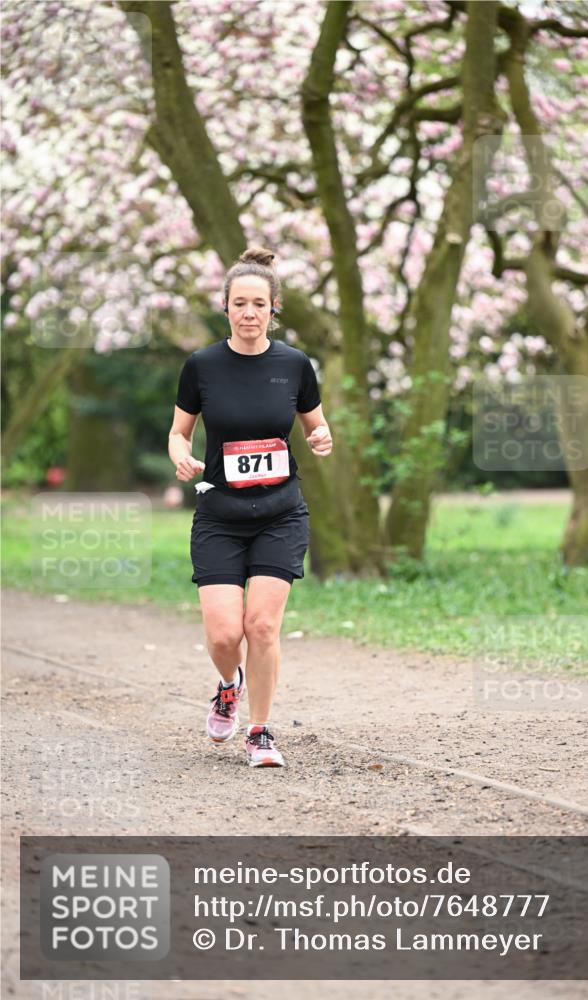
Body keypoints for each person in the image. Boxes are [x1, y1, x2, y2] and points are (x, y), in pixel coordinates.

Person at [168, 247, 332, 768]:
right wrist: (183, 457)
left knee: (261, 626)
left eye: (259, 304)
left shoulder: (294, 365)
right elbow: (177, 433)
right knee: (224, 635)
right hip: (220, 516)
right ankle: (228, 684)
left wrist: (323, 436)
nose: (249, 313)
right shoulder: (202, 366)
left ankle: (260, 731)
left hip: (280, 513)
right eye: (239, 303)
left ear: (273, 308)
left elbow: (315, 424)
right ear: (226, 307)